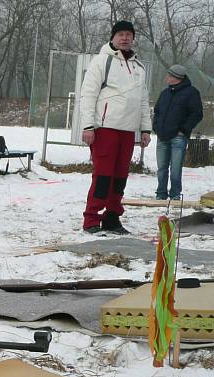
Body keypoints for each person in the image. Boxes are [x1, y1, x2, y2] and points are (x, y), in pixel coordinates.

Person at [79, 20, 151, 235]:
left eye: (128, 34)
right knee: (103, 175)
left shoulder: (139, 67)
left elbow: (143, 100)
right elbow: (88, 94)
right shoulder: (102, 61)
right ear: (112, 37)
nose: (125, 38)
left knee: (120, 175)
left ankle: (111, 217)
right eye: (120, 34)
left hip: (128, 130)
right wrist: (88, 126)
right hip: (105, 128)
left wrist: (146, 129)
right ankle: (91, 219)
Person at [152, 64, 203, 201]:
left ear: (177, 77)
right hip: (162, 137)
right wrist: (156, 127)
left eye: (169, 75)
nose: (166, 77)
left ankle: (174, 195)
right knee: (162, 168)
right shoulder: (165, 93)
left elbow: (197, 114)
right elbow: (157, 112)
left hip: (178, 137)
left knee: (175, 169)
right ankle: (160, 194)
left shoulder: (192, 93)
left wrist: (183, 130)